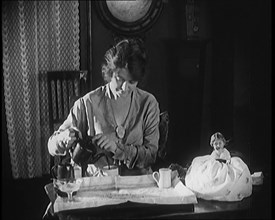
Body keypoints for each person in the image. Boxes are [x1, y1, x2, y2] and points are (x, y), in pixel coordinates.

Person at [47, 38, 160, 176]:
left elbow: (151, 156)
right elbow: (51, 146)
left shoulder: (148, 103)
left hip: (138, 184)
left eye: (132, 82)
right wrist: (63, 138)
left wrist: (118, 149)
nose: (125, 87)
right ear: (110, 73)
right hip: (97, 185)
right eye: (120, 79)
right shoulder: (88, 102)